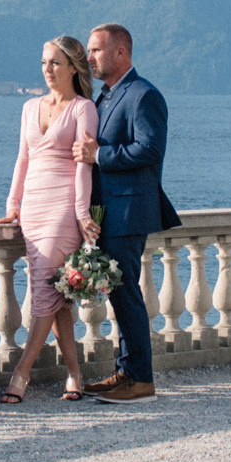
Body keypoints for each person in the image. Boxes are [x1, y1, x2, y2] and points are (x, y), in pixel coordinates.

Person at [0, 36, 98, 403]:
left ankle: (22, 372)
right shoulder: (29, 107)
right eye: (43, 62)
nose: (47, 70)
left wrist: (82, 211)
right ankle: (74, 374)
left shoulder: (83, 108)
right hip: (33, 209)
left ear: (73, 66)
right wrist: (12, 204)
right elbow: (22, 159)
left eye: (54, 62)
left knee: (43, 290)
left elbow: (84, 162)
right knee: (56, 295)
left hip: (63, 209)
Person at [72, 21, 174, 402]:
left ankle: (141, 379)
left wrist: (99, 154)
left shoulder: (143, 95)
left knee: (126, 293)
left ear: (121, 52)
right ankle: (125, 371)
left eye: (96, 50)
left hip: (129, 210)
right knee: (118, 292)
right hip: (109, 211)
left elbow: (150, 150)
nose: (89, 57)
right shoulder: (108, 96)